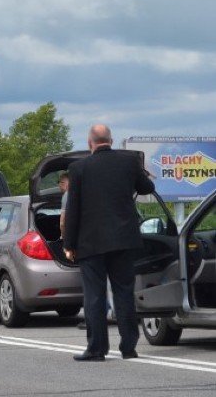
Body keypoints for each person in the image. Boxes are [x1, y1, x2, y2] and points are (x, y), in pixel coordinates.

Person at [63, 124, 154, 361]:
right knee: (124, 292)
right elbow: (148, 188)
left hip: (90, 243)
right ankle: (128, 347)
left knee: (94, 294)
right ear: (111, 140)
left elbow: (73, 209)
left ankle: (97, 349)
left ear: (90, 142)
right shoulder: (128, 163)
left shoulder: (79, 168)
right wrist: (140, 174)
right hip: (124, 240)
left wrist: (69, 244)